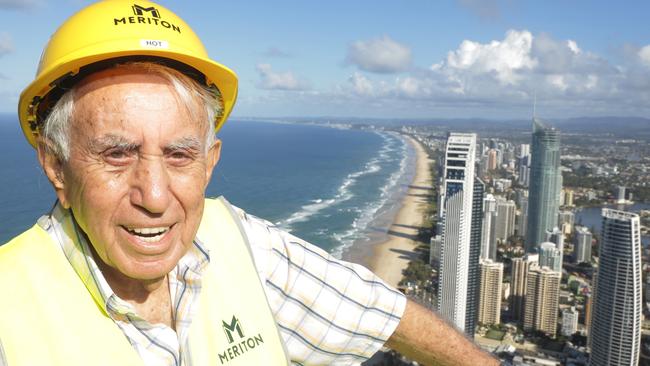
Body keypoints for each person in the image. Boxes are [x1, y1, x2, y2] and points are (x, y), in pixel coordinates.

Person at [0, 1, 500, 365]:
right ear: (56, 167)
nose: (154, 196)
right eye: (116, 154)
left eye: (179, 154)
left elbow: (386, 314)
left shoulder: (240, 243)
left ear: (210, 161)